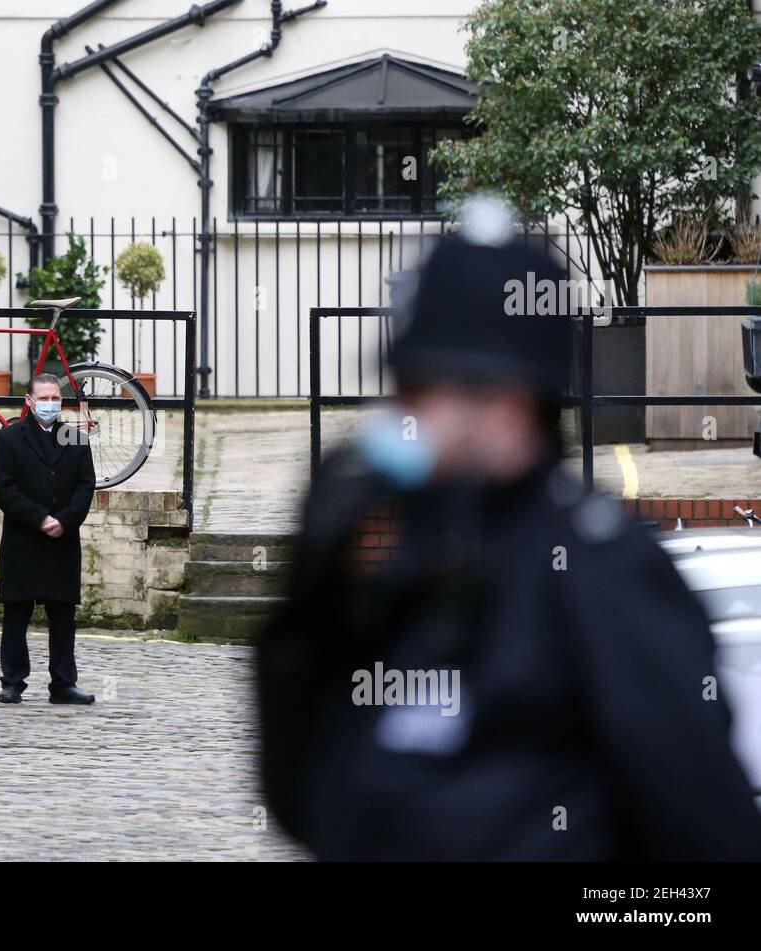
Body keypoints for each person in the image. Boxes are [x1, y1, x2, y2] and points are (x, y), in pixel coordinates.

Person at [257, 198, 761, 860]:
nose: (394, 414)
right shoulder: (398, 555)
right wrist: (309, 607)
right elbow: (304, 801)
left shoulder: (603, 572)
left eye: (418, 392)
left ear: (507, 405)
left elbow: (706, 836)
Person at [0, 373, 97, 704]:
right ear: (29, 401)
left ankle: (63, 683)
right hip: (23, 538)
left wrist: (65, 520)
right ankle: (12, 681)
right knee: (17, 613)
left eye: (55, 398)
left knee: (63, 615)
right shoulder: (8, 439)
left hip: (62, 539)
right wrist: (39, 518)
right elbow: (4, 490)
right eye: (44, 398)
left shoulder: (75, 439)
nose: (50, 403)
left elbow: (85, 486)